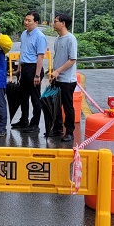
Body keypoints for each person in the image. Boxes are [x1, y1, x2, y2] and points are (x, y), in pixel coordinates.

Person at [11, 11, 47, 134]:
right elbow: (23, 52)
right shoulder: (23, 34)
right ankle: (23, 120)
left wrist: (37, 75)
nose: (26, 22)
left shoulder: (40, 36)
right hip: (25, 68)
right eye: (25, 19)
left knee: (35, 98)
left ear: (36, 22)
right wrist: (19, 68)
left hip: (34, 68)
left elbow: (40, 57)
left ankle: (35, 124)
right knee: (23, 97)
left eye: (29, 20)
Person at [49, 13, 78, 142]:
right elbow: (57, 58)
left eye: (55, 21)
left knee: (67, 106)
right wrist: (53, 74)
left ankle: (70, 132)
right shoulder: (57, 39)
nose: (53, 24)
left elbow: (72, 60)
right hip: (57, 78)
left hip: (67, 80)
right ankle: (57, 129)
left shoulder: (71, 39)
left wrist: (58, 71)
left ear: (63, 23)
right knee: (55, 105)